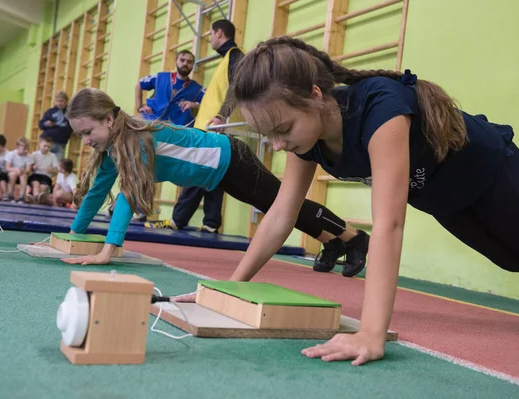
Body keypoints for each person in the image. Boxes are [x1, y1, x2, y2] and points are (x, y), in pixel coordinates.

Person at [219, 36, 519, 366]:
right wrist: (229, 289)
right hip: (443, 198)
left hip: (494, 171)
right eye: (269, 136)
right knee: (511, 260)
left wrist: (370, 333)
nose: (277, 145)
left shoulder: (381, 111)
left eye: (283, 129)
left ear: (315, 96)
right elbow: (281, 214)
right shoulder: (305, 141)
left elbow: (388, 225)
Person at [60, 87, 370, 278]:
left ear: (109, 120)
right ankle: (331, 241)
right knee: (276, 206)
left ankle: (353, 238)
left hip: (229, 158)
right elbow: (97, 192)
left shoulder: (135, 140)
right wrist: (73, 234)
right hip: (218, 173)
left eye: (88, 133)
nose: (85, 141)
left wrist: (108, 250)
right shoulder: (114, 148)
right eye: (81, 136)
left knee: (284, 206)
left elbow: (128, 194)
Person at [152, 19, 243, 234]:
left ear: (219, 33)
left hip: (214, 128)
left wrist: (221, 116)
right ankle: (211, 223)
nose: (209, 38)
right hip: (209, 127)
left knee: (197, 172)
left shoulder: (235, 55)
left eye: (210, 34)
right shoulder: (226, 59)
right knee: (213, 174)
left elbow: (238, 87)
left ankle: (177, 220)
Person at [136, 50, 205, 127]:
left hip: (177, 130)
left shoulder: (197, 89)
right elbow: (139, 84)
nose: (185, 63)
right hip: (151, 122)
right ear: (176, 62)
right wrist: (139, 107)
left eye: (189, 62)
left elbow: (210, 104)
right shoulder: (159, 77)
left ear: (192, 65)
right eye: (182, 60)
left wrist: (195, 105)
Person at [39, 91, 72, 160]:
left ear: (66, 101)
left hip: (61, 143)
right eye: (57, 101)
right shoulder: (50, 111)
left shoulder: (70, 112)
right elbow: (41, 125)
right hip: (47, 141)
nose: (59, 103)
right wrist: (46, 123)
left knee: (57, 166)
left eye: (61, 101)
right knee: (42, 162)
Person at [26, 137, 58, 204]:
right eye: (45, 146)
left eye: (49, 147)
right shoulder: (34, 154)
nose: (46, 148)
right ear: (40, 145)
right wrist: (33, 167)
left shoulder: (52, 156)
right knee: (36, 184)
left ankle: (37, 199)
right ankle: (37, 197)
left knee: (43, 187)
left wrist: (51, 170)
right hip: (35, 175)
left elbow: (56, 170)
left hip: (46, 176)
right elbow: (29, 168)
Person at [5, 137, 31, 203]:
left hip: (22, 173)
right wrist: (16, 169)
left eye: (27, 149)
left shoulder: (28, 156)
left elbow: (28, 170)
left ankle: (21, 196)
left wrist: (22, 170)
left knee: (24, 176)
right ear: (17, 147)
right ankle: (10, 195)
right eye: (24, 149)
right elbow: (7, 168)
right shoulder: (11, 154)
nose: (26, 151)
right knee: (13, 175)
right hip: (12, 172)